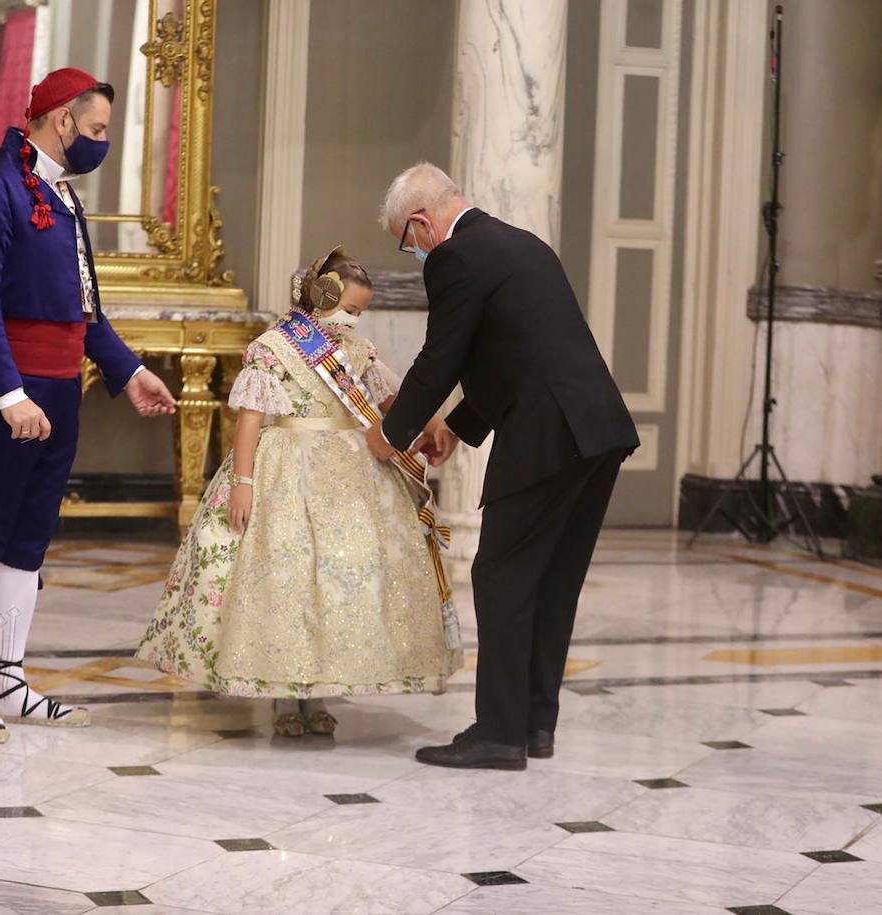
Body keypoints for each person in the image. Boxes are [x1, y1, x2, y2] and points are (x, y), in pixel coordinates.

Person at [0, 68, 177, 744]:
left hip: (62, 392)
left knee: (28, 542)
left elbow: (86, 311)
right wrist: (10, 394)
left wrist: (130, 373)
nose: (101, 142)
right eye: (96, 129)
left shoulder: (63, 196)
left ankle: (6, 679)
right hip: (4, 394)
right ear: (63, 120)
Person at [371, 163, 640, 771]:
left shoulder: (455, 257)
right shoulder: (520, 244)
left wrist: (391, 432)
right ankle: (534, 725)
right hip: (597, 432)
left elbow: (442, 357)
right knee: (552, 581)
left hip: (550, 439)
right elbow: (513, 357)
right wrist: (455, 429)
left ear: (421, 222)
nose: (413, 252)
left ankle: (497, 734)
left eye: (406, 241)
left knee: (500, 575)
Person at [137, 247, 462, 737]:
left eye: (360, 313)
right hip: (286, 468)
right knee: (286, 577)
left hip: (352, 470)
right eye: (350, 309)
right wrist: (243, 484)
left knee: (338, 582)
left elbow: (392, 396)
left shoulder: (356, 351)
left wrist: (434, 419)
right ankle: (284, 697)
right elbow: (250, 420)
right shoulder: (276, 347)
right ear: (324, 296)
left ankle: (323, 691)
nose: (354, 321)